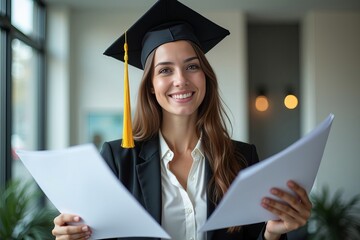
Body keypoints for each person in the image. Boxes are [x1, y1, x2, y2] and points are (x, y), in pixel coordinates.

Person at [52, 0, 312, 239]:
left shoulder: (241, 158)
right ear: (151, 86)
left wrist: (273, 234)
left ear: (205, 76)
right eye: (165, 70)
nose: (181, 80)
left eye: (192, 66)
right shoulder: (119, 161)